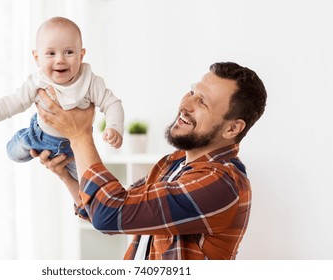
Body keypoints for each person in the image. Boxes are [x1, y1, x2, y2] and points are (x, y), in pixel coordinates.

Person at [32, 62, 267, 260]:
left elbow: (110, 214)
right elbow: (107, 211)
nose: (185, 105)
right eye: (192, 92)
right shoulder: (173, 163)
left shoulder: (221, 184)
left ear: (233, 128)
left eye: (202, 103)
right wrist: (66, 173)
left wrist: (79, 134)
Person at [0, 16, 124, 180]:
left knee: (89, 189)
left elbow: (112, 103)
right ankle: (25, 139)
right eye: (51, 53)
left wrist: (114, 127)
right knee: (13, 153)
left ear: (81, 55)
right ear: (37, 58)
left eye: (69, 52)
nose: (60, 60)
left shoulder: (90, 82)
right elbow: (10, 103)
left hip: (74, 150)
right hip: (38, 137)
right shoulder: (37, 82)